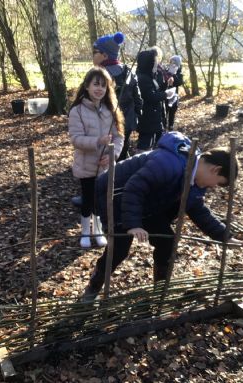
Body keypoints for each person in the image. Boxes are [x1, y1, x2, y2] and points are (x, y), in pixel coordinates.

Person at [82, 131, 243, 300]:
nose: (213, 187)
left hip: (147, 202)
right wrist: (133, 225)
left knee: (167, 241)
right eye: (218, 183)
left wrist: (226, 237)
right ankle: (93, 288)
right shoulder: (169, 163)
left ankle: (160, 290)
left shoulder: (195, 182)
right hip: (114, 196)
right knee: (119, 248)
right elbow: (134, 188)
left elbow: (199, 211)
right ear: (215, 170)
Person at [68, 67, 124, 248]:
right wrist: (98, 141)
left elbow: (119, 137)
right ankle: (85, 232)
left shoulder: (110, 110)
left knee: (102, 200)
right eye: (96, 84)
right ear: (87, 86)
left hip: (105, 166)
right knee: (88, 200)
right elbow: (76, 139)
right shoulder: (77, 111)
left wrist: (112, 155)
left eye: (103, 85)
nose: (99, 89)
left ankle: (98, 231)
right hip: (86, 165)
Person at [92, 32, 143, 161]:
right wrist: (134, 119)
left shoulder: (97, 76)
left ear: (105, 55)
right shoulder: (128, 71)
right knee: (121, 154)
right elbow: (138, 100)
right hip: (126, 124)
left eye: (95, 52)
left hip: (104, 126)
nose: (92, 56)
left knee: (104, 159)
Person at [136, 49, 175, 152]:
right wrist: (165, 94)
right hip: (147, 117)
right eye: (154, 63)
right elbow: (150, 96)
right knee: (145, 144)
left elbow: (157, 90)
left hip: (154, 117)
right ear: (148, 64)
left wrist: (166, 83)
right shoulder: (142, 78)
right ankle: (142, 159)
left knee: (155, 142)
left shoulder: (151, 76)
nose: (156, 65)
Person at [164, 55, 184, 131]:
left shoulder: (179, 73)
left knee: (172, 112)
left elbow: (179, 82)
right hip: (165, 95)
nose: (172, 64)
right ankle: (164, 126)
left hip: (174, 96)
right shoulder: (166, 70)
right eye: (171, 62)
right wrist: (169, 73)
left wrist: (174, 74)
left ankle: (171, 126)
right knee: (165, 112)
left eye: (174, 63)